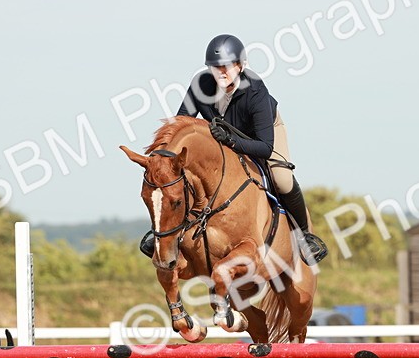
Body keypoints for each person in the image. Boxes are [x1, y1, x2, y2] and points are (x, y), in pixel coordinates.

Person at [138, 34, 328, 265]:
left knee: (282, 179)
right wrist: (164, 158)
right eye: (215, 67)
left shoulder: (255, 91)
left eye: (227, 67)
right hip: (224, 138)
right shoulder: (201, 85)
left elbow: (265, 147)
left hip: (261, 134)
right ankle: (164, 234)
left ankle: (304, 236)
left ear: (241, 65)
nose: (221, 72)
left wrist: (231, 140)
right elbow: (182, 124)